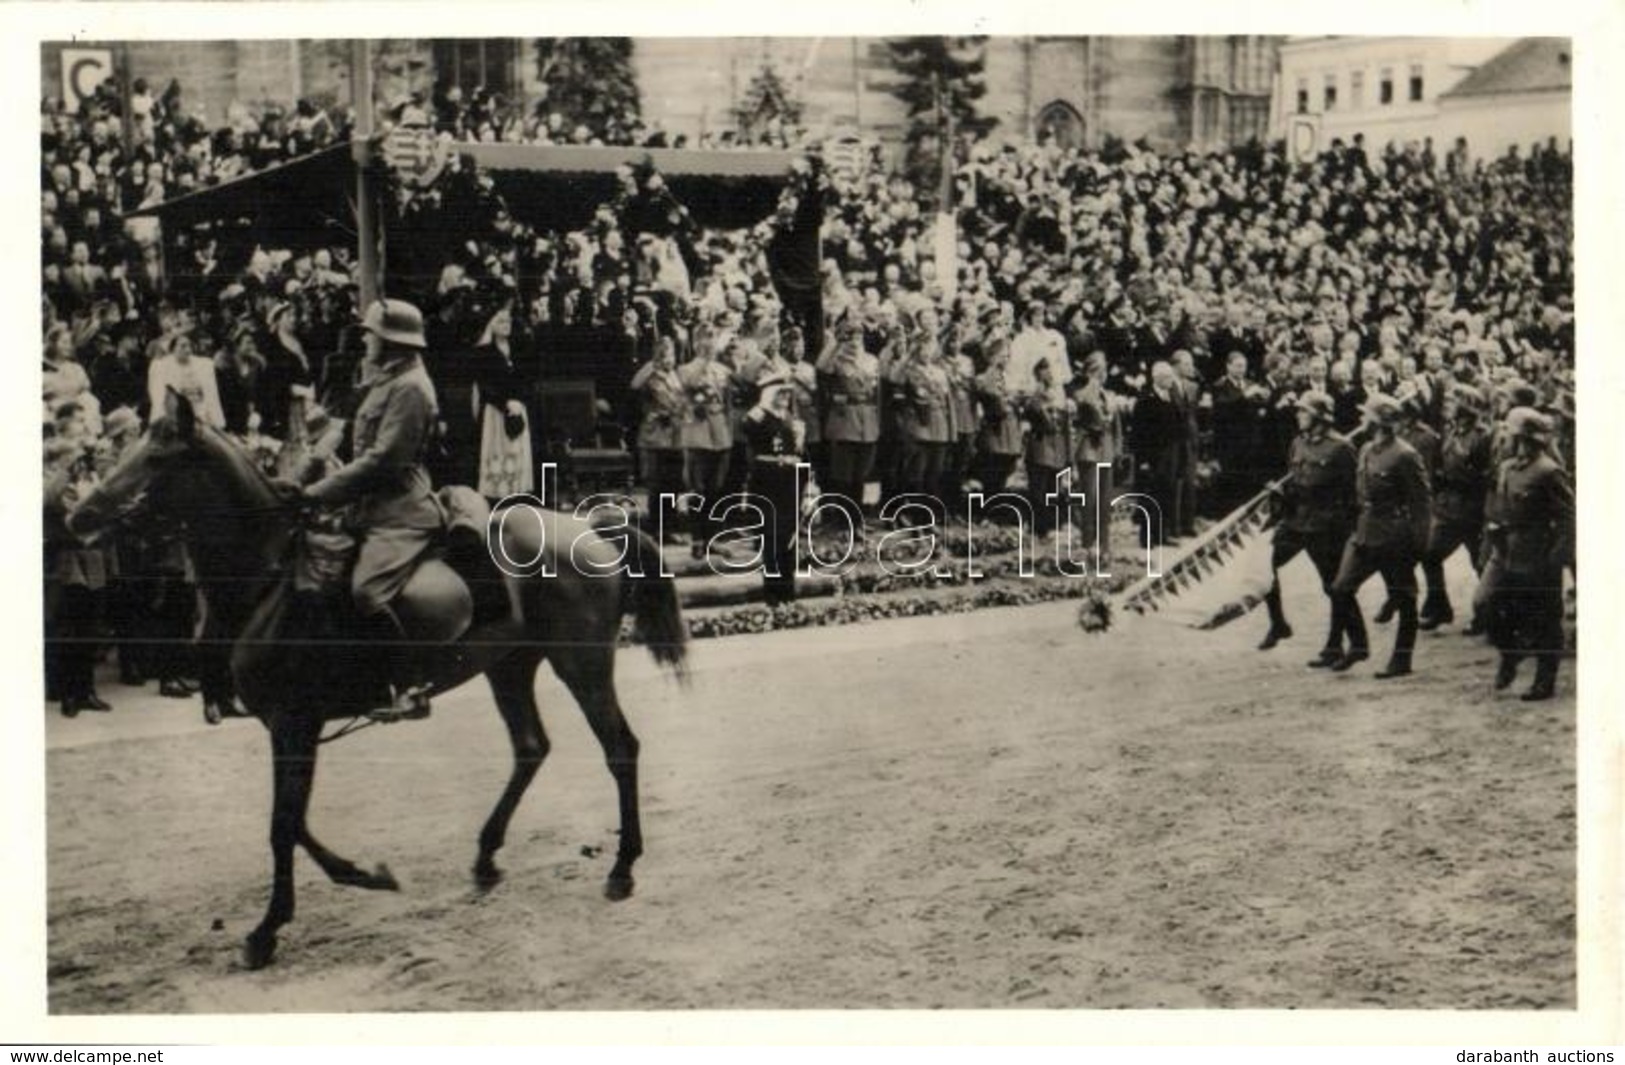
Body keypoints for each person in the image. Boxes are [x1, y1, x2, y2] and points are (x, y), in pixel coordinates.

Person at [301, 299, 442, 723]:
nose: (365, 339)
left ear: (392, 341)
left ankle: (408, 684)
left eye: (371, 334)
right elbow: (352, 438)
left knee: (367, 590)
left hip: (400, 509)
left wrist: (318, 493)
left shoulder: (412, 387)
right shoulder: (387, 379)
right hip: (368, 504)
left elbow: (384, 462)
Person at [1327, 394, 1433, 678]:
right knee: (1340, 589)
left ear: (1378, 422)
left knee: (1405, 597)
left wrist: (1419, 545)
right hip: (1364, 532)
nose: (1362, 419)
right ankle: (1359, 644)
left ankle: (1402, 660)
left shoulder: (1405, 454)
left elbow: (1421, 503)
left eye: (1367, 415)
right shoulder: (1365, 450)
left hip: (1393, 537)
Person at [1483, 408, 1574, 701]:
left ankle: (1544, 681)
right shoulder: (1508, 467)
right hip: (1508, 550)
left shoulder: (1548, 471)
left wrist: (1557, 557)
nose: (1504, 436)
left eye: (1509, 432)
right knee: (1488, 606)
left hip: (1538, 554)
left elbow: (1568, 517)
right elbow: (1499, 507)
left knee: (1545, 619)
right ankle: (1511, 654)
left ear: (1524, 438)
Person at [1260, 392, 1358, 662]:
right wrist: (1280, 493)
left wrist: (1349, 530)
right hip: (1295, 521)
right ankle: (1279, 624)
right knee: (1262, 565)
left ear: (1319, 417)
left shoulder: (1341, 448)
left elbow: (1354, 495)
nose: (1298, 415)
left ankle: (1340, 644)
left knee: (1334, 587)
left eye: (1304, 412)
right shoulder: (1298, 443)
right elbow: (1294, 479)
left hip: (1326, 526)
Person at [1420, 384, 1493, 630]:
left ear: (1466, 408)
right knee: (1430, 556)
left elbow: (1486, 476)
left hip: (1472, 510)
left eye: (1453, 402)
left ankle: (1488, 614)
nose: (1447, 406)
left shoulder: (1482, 436)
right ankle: (1440, 608)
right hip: (1449, 509)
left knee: (1480, 564)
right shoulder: (1451, 432)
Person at [740, 375, 804, 606]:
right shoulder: (759, 416)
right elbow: (746, 428)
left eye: (788, 393)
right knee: (771, 536)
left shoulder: (790, 419)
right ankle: (773, 593)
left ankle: (788, 591)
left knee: (789, 537)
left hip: (789, 480)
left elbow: (798, 453)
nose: (785, 398)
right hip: (768, 479)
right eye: (781, 393)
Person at [815, 308, 881, 531]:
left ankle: (857, 519)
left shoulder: (871, 360)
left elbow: (876, 392)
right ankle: (842, 520)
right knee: (843, 473)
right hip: (844, 420)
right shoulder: (837, 361)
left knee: (861, 474)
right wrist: (834, 343)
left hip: (867, 420)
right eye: (850, 336)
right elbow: (821, 367)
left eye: (858, 336)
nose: (855, 341)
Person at [471, 301, 534, 504]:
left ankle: (517, 494)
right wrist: (505, 403)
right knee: (497, 453)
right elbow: (485, 386)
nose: (505, 325)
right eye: (500, 321)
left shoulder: (519, 348)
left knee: (517, 453)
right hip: (496, 412)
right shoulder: (484, 353)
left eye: (507, 321)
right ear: (491, 324)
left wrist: (519, 401)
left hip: (518, 409)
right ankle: (496, 497)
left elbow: (527, 378)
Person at [630, 335, 688, 539]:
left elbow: (682, 400)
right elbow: (635, 386)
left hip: (676, 436)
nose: (667, 359)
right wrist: (650, 366)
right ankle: (656, 528)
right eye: (662, 354)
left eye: (670, 354)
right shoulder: (650, 376)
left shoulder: (677, 375)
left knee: (673, 483)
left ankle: (669, 527)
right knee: (657, 484)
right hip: (655, 436)